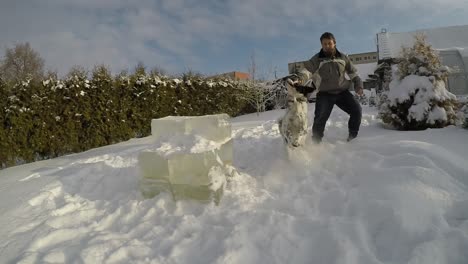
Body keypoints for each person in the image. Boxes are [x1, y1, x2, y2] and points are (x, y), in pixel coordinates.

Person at [291, 32, 363, 143]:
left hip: (342, 92)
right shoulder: (317, 59)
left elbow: (353, 74)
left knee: (357, 110)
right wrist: (300, 78)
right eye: (324, 44)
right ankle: (316, 142)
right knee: (320, 119)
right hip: (325, 94)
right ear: (322, 45)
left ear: (334, 43)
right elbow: (307, 70)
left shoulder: (343, 58)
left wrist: (359, 86)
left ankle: (352, 137)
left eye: (329, 43)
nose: (327, 46)